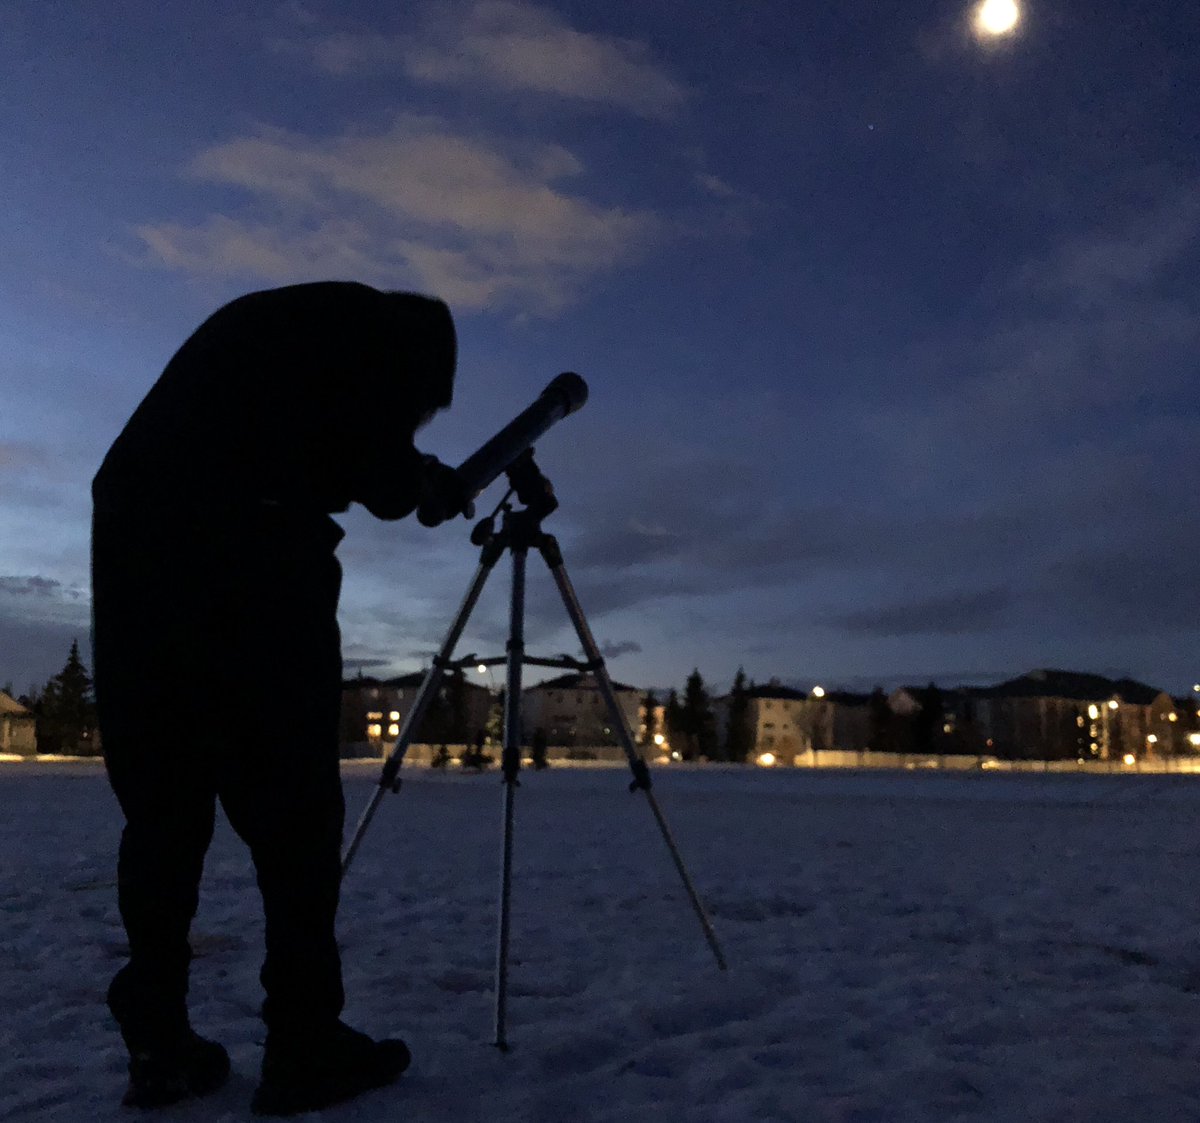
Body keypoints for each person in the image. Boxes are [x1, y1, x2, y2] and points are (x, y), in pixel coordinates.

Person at [91, 281, 465, 1114]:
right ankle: (305, 1039)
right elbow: (380, 467)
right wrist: (423, 483)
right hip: (249, 545)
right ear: (415, 361)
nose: (415, 422)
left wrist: (410, 473)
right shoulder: (364, 332)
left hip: (135, 538)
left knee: (165, 800)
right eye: (422, 407)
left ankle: (157, 1031)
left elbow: (346, 445)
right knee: (294, 808)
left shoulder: (292, 336)